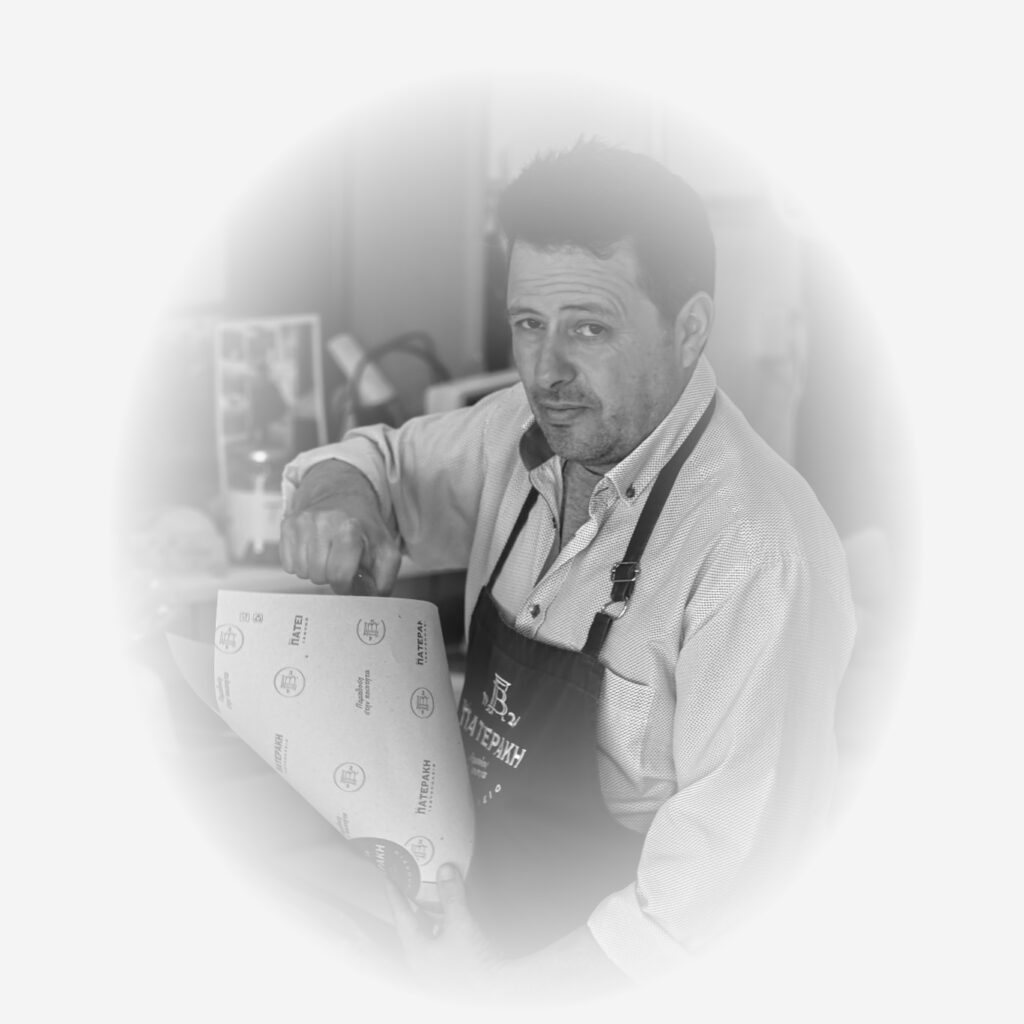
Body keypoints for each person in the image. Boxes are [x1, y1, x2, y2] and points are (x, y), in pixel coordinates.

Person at [279, 141, 856, 996]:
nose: (547, 372)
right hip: (468, 915)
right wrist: (340, 497)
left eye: (589, 327)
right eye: (527, 325)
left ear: (690, 328)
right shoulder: (525, 432)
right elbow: (380, 466)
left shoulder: (755, 551)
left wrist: (496, 998)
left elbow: (704, 908)